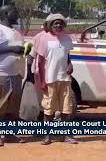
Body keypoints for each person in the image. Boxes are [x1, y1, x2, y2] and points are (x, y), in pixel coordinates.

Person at [0, 5, 26, 146]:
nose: (17, 14)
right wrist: (12, 48)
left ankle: (9, 134)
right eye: (15, 12)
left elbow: (18, 48)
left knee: (13, 108)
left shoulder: (16, 31)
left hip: (16, 74)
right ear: (6, 13)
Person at [37, 13, 78, 145]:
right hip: (50, 79)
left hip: (65, 79)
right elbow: (40, 62)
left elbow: (67, 54)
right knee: (48, 109)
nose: (58, 25)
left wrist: (70, 63)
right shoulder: (45, 39)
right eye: (56, 23)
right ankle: (47, 136)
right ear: (51, 25)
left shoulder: (67, 39)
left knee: (66, 108)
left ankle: (66, 135)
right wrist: (42, 81)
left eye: (60, 23)